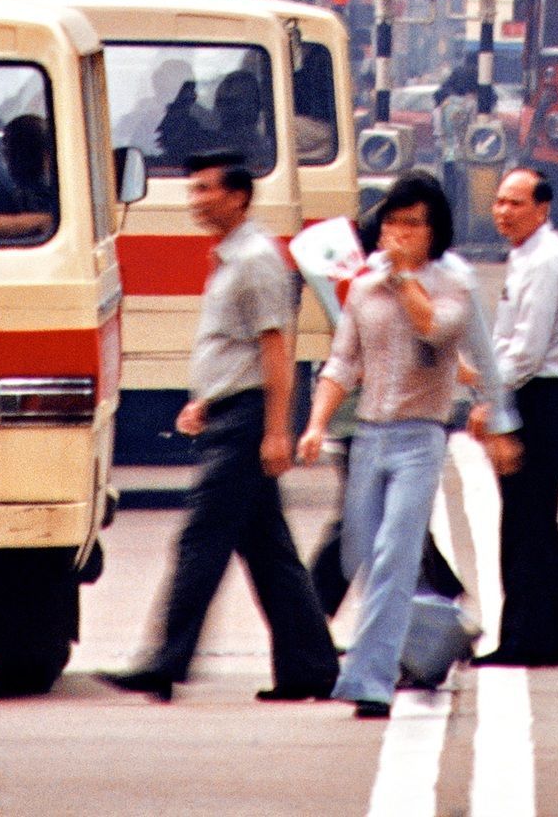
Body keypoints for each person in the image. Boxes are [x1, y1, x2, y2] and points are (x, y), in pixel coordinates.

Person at [108, 157, 338, 703]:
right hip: (230, 413)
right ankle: (311, 668)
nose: (196, 198)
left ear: (238, 197)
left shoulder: (256, 259)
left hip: (248, 421)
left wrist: (276, 430)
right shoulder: (231, 257)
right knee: (269, 552)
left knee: (201, 540)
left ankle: (164, 661)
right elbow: (232, 348)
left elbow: (275, 349)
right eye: (193, 188)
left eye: (206, 189)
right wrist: (204, 402)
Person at [297, 172, 470, 720]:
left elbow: (436, 331)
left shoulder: (452, 286)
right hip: (368, 434)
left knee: (396, 553)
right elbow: (344, 361)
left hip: (420, 437)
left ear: (434, 232)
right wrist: (316, 422)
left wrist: (402, 280)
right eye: (393, 222)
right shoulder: (364, 290)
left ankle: (368, 681)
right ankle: (438, 631)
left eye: (413, 225)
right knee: (367, 557)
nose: (399, 233)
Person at [475, 167, 558, 667]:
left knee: (525, 524)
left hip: (536, 401)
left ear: (542, 209)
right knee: (537, 523)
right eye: (500, 202)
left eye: (516, 203)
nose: (503, 212)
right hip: (530, 395)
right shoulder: (527, 255)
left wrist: (491, 399)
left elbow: (525, 353)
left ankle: (525, 638)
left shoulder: (544, 261)